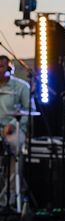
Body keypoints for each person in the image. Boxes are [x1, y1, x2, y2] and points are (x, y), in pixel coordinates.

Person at [0, 55, 30, 209]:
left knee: (15, 145)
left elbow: (28, 111)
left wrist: (12, 125)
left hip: (14, 130)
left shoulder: (21, 87)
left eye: (1, 67)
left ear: (9, 70)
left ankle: (10, 196)